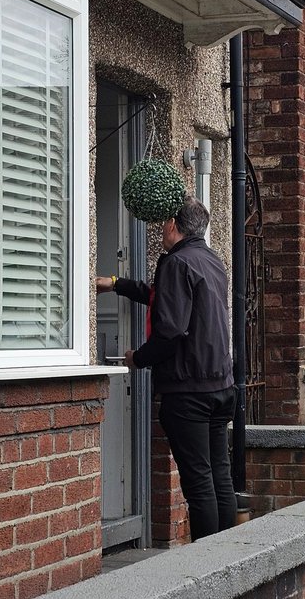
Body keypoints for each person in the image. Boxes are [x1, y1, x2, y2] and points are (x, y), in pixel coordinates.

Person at [96, 196, 237, 541]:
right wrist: (116, 283)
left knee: (199, 482)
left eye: (164, 222)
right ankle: (230, 558)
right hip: (220, 387)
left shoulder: (176, 263)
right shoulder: (211, 261)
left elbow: (170, 328)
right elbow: (161, 297)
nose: (161, 228)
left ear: (173, 224)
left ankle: (210, 566)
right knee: (220, 475)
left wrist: (138, 359)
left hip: (189, 391)